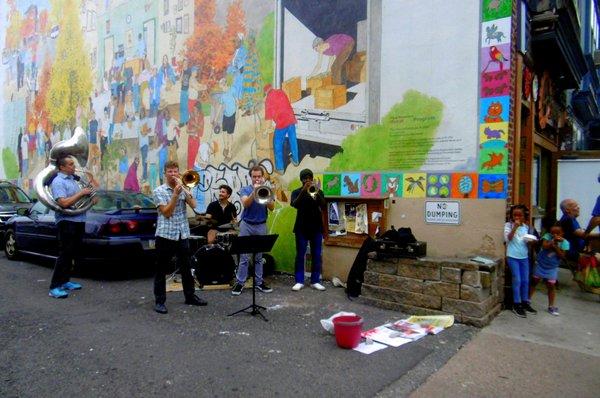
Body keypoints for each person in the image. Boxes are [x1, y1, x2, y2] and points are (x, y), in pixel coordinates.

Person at [152, 160, 207, 314]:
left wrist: (186, 190)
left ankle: (190, 296)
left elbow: (195, 205)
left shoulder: (182, 188)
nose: (174, 174)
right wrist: (175, 195)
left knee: (186, 268)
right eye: (170, 171)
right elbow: (167, 213)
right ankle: (160, 301)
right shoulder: (159, 191)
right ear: (165, 173)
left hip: (182, 233)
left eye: (176, 171)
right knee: (161, 270)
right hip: (165, 235)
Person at [48, 156, 99, 298]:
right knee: (64, 254)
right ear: (62, 167)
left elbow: (84, 199)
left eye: (73, 164)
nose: (73, 166)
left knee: (72, 253)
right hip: (66, 221)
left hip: (79, 219)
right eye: (70, 164)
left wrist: (92, 197)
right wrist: (82, 193)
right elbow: (63, 203)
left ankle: (65, 281)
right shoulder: (58, 182)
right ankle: (54, 287)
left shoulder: (74, 180)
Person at [231, 165, 275, 295]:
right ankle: (240, 283)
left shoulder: (267, 190)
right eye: (254, 177)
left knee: (259, 257)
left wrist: (264, 193)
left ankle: (259, 282)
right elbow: (245, 204)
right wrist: (254, 192)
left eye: (259, 177)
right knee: (244, 257)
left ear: (263, 177)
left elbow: (272, 207)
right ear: (251, 177)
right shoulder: (245, 189)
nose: (257, 179)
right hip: (247, 224)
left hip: (261, 224)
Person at [290, 169, 327, 291]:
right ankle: (299, 281)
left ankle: (315, 281)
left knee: (316, 254)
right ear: (301, 180)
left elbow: (323, 205)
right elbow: (295, 204)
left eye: (309, 178)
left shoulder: (317, 191)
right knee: (300, 255)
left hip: (316, 228)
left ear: (312, 178)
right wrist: (303, 191)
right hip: (301, 228)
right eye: (305, 178)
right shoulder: (296, 192)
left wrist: (315, 193)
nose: (307, 180)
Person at [529, 224, 569, 316]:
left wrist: (555, 246)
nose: (554, 235)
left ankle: (551, 306)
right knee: (534, 281)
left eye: (557, 233)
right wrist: (553, 241)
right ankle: (528, 300)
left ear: (562, 233)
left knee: (551, 285)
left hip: (552, 268)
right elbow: (544, 246)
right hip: (540, 264)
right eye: (552, 233)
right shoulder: (547, 236)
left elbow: (562, 256)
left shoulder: (565, 243)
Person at [504, 204, 536, 318]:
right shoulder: (508, 225)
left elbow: (528, 242)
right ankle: (516, 303)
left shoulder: (527, 227)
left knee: (525, 280)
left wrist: (531, 242)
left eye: (520, 215)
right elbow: (508, 238)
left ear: (524, 216)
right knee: (516, 279)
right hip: (512, 256)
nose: (517, 217)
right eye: (515, 215)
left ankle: (525, 302)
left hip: (524, 256)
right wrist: (514, 227)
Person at [264, 84, 299, 174]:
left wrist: (266, 130)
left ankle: (280, 168)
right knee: (293, 140)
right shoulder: (281, 91)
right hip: (291, 119)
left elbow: (268, 118)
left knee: (277, 145)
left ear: (266, 92)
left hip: (282, 123)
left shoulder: (268, 99)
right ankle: (296, 160)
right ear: (272, 88)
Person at [558, 199, 586, 264]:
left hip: (578, 251)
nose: (578, 207)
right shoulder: (568, 219)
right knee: (596, 258)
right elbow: (581, 234)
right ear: (567, 210)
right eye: (575, 206)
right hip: (572, 252)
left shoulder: (571, 219)